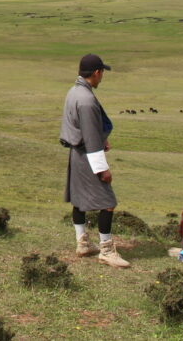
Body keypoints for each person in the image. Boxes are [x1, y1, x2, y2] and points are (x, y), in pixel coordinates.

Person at [60, 53, 129, 268]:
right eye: (102, 74)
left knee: (79, 200)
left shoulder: (74, 92)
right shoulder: (87, 100)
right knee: (108, 203)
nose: (102, 78)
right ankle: (106, 250)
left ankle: (82, 244)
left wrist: (99, 139)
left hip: (76, 153)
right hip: (88, 156)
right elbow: (90, 137)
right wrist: (102, 170)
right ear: (97, 73)